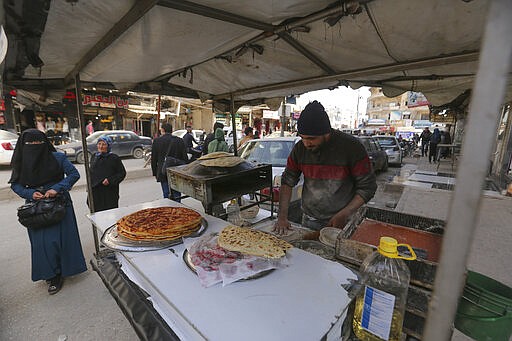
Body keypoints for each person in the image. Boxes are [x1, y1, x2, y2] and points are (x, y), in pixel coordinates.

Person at [273, 101, 377, 234]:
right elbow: (287, 181)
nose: (306, 144)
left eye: (311, 138)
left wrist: (344, 213)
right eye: (302, 138)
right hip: (309, 219)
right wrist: (282, 217)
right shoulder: (300, 149)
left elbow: (368, 188)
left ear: (326, 133)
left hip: (344, 222)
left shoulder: (352, 148)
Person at [8, 129, 87, 295]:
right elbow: (15, 185)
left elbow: (73, 174)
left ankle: (66, 269)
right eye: (31, 144)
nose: (35, 146)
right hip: (35, 207)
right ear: (24, 145)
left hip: (59, 203)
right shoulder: (21, 162)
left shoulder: (58, 157)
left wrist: (56, 188)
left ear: (45, 142)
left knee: (63, 240)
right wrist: (30, 193)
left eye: (39, 142)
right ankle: (52, 275)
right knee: (43, 243)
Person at [151, 123, 188, 201]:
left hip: (162, 171)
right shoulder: (179, 140)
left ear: (163, 130)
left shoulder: (157, 141)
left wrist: (155, 173)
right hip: (176, 171)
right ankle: (177, 209)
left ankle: (169, 210)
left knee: (166, 194)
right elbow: (185, 158)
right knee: (177, 194)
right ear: (172, 130)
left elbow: (153, 159)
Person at [89, 136, 126, 212]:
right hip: (96, 191)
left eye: (104, 144)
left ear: (108, 146)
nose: (101, 146)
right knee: (96, 215)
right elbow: (91, 172)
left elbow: (122, 173)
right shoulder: (94, 157)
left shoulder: (114, 158)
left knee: (110, 214)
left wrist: (110, 180)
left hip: (109, 192)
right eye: (99, 144)